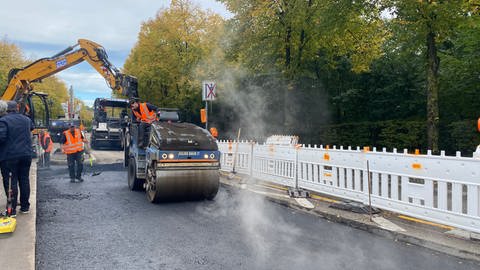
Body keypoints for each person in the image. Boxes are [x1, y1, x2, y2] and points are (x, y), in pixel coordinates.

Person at [0, 101, 34, 216]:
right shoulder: (26, 119)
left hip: (9, 156)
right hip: (26, 155)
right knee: (24, 180)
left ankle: (12, 210)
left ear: (6, 110)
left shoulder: (3, 121)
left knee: (10, 182)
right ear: (17, 108)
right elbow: (31, 128)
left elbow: (1, 138)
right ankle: (25, 207)